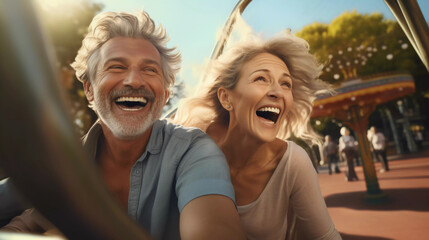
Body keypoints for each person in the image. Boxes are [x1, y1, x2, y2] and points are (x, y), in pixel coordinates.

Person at [0, 10, 246, 240]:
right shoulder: (61, 163)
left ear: (166, 93)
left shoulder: (194, 151)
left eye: (150, 70)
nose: (133, 80)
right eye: (116, 67)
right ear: (89, 90)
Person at [173, 31, 341, 240]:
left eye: (285, 84)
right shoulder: (190, 144)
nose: (277, 92)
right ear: (226, 98)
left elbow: (325, 237)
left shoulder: (293, 162)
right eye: (261, 78)